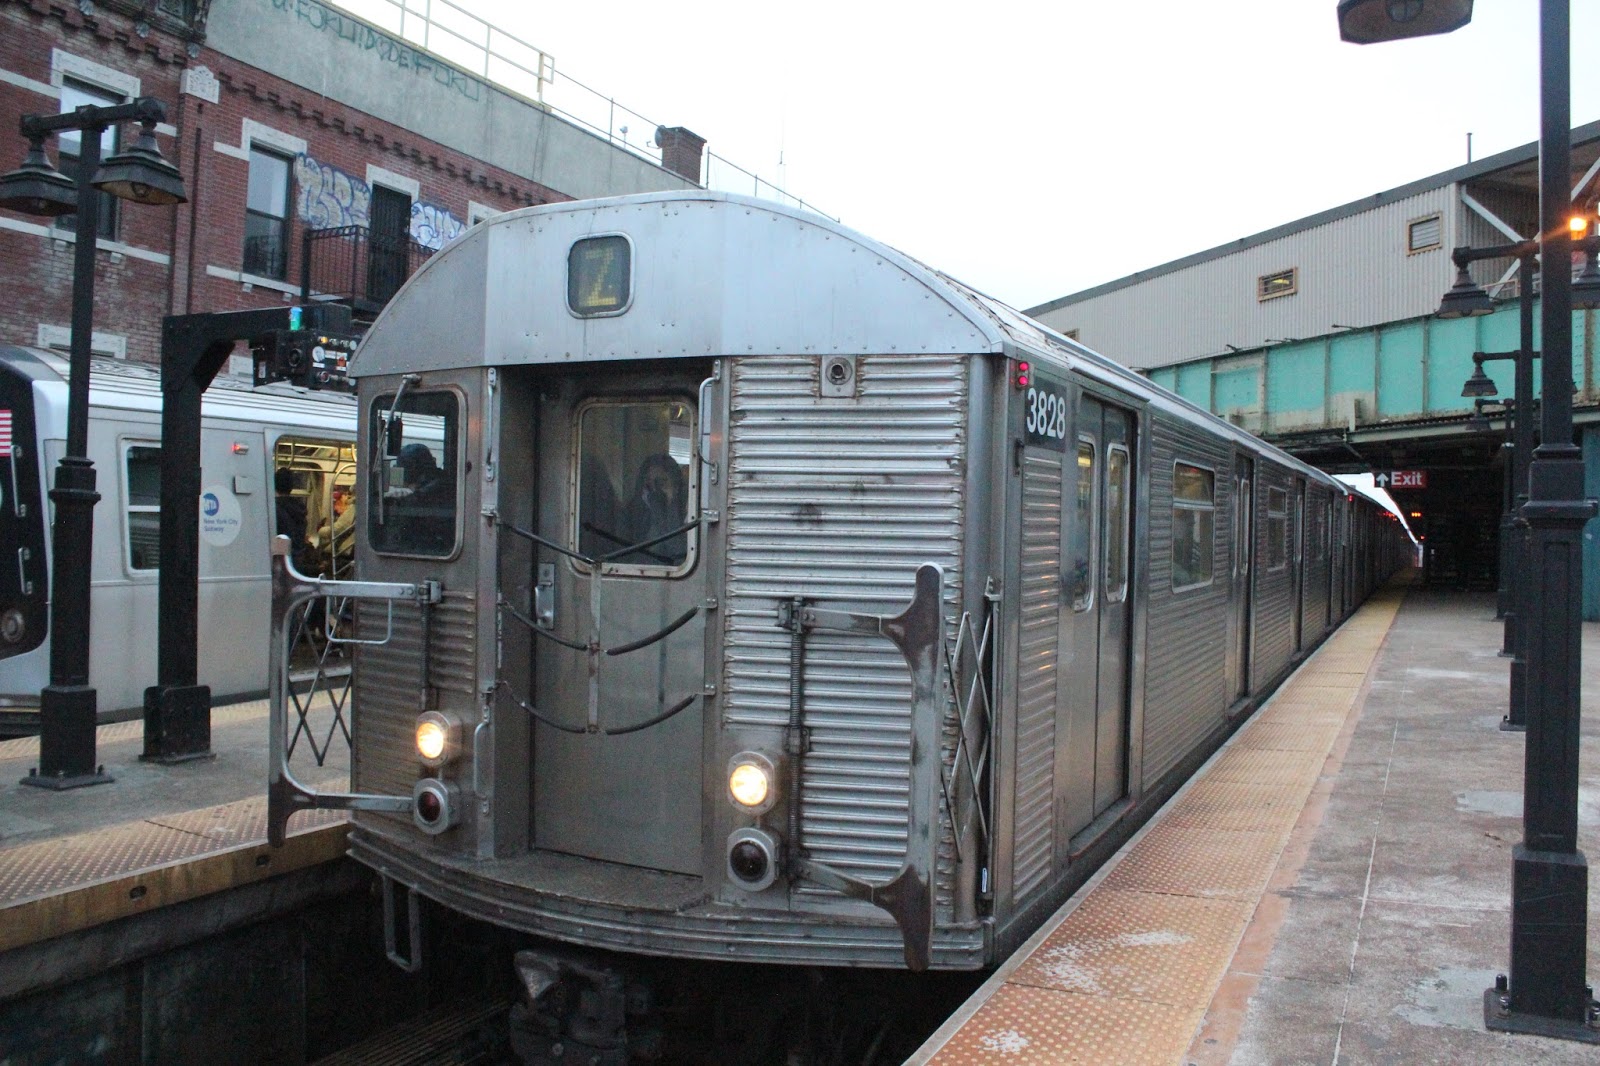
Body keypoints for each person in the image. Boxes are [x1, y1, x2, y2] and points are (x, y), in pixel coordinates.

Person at [626, 453, 687, 565]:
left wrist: (670, 506)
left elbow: (678, 553)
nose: (655, 490)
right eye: (649, 484)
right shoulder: (631, 514)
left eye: (661, 482)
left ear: (675, 484)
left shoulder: (689, 512)